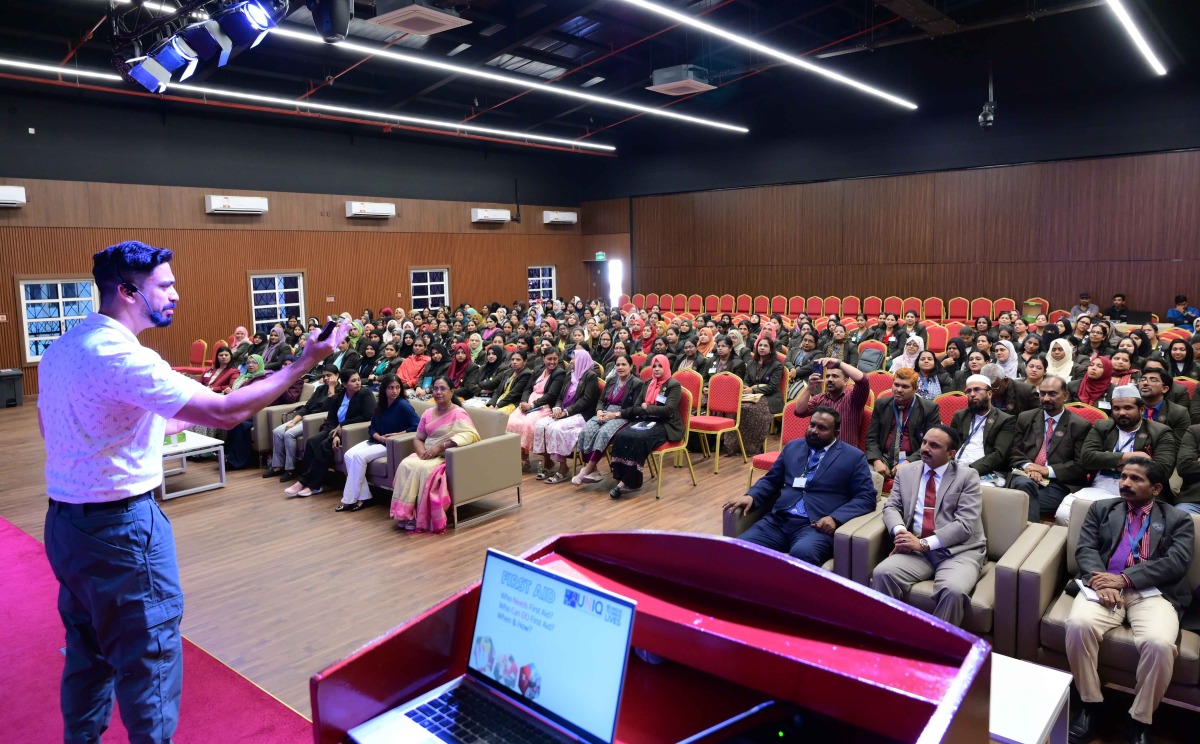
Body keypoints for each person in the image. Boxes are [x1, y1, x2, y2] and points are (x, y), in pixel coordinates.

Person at [38, 241, 345, 744]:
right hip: (120, 531)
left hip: (66, 525)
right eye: (165, 285)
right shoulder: (123, 356)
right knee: (150, 662)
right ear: (128, 291)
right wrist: (302, 364)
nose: (176, 294)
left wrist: (177, 419)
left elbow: (78, 425)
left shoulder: (64, 348)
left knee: (88, 651)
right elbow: (225, 413)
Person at [1064, 458, 1194, 744]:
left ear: (1156, 488)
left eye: (1136, 479)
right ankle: (1091, 704)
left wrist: (1124, 579)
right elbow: (1085, 549)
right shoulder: (1101, 509)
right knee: (1078, 625)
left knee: (1159, 644)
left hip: (1153, 593)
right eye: (1123, 476)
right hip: (1102, 587)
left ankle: (1140, 718)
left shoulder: (1178, 519)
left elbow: (1176, 562)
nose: (1125, 483)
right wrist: (1101, 581)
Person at [723, 407, 876, 565]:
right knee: (740, 548)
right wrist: (752, 496)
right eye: (812, 425)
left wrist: (835, 518)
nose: (814, 430)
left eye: (822, 428)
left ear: (836, 433)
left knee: (802, 554)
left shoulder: (853, 457)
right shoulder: (792, 447)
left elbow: (866, 497)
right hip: (778, 521)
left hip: (816, 526)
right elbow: (771, 480)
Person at [871, 425, 986, 626]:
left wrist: (923, 543)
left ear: (951, 454)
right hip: (916, 550)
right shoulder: (907, 472)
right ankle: (890, 637)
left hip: (958, 551)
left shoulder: (967, 477)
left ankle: (938, 644)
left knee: (953, 590)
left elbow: (965, 525)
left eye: (934, 445)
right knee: (883, 573)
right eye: (924, 442)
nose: (925, 448)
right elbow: (891, 507)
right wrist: (901, 533)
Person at [1065, 386, 1178, 525]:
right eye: (1116, 408)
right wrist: (1130, 457)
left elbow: (1162, 470)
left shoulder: (1160, 432)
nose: (1121, 413)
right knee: (1066, 512)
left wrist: (1109, 459)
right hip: (1100, 486)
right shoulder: (1102, 427)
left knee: (1115, 523)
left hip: (1138, 492)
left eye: (1128, 408)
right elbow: (1087, 458)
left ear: (1141, 410)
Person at [390, 376, 482, 533]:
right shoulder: (427, 412)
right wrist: (421, 452)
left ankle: (420, 517)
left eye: (443, 389)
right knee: (406, 464)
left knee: (425, 470)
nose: (438, 392)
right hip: (426, 454)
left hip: (445, 456)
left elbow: (471, 435)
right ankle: (406, 514)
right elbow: (418, 438)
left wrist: (440, 447)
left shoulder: (458, 413)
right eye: (436, 389)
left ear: (451, 392)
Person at [1008, 376, 1094, 522]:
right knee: (1024, 485)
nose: (1046, 398)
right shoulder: (1025, 417)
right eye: (1042, 393)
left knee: (1020, 501)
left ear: (1065, 395)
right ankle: (1032, 534)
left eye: (1052, 394)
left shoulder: (1079, 425)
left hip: (1058, 483)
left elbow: (1080, 465)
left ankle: (1024, 532)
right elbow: (1014, 451)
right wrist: (1029, 467)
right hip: (1025, 475)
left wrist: (1046, 470)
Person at [284, 368, 376, 498]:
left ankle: (311, 485)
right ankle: (306, 482)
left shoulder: (365, 394)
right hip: (334, 429)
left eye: (359, 380)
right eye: (353, 381)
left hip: (352, 431)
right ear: (345, 384)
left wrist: (342, 426)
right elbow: (331, 418)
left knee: (325, 445)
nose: (358, 383)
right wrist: (335, 430)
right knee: (312, 442)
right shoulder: (339, 396)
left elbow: (367, 416)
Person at [336, 374, 421, 513]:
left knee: (359, 457)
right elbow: (372, 427)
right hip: (376, 440)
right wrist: (377, 436)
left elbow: (417, 425)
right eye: (391, 388)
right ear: (384, 389)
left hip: (390, 444)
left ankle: (348, 500)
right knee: (348, 455)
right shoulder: (380, 404)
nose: (394, 391)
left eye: (397, 387)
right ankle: (364, 496)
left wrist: (396, 435)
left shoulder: (403, 405)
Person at [608, 354, 682, 499]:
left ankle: (628, 482)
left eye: (660, 366)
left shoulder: (673, 385)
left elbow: (668, 410)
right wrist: (647, 410)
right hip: (646, 420)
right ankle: (621, 475)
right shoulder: (648, 383)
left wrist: (647, 407)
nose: (656, 369)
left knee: (639, 438)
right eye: (654, 366)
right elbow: (636, 407)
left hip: (665, 424)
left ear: (666, 367)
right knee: (621, 434)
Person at [532, 349, 601, 483]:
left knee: (555, 428)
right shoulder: (570, 373)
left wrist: (566, 412)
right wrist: (558, 408)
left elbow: (586, 401)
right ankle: (548, 462)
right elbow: (561, 395)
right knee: (540, 425)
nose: (570, 361)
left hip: (581, 414)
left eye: (573, 358)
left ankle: (563, 468)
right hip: (565, 411)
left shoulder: (590, 376)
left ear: (581, 360)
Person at [573, 354, 644, 485]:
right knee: (586, 429)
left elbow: (635, 408)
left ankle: (586, 469)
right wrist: (599, 411)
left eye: (624, 364)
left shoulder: (637, 383)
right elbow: (601, 401)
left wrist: (615, 415)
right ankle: (594, 471)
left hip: (623, 416)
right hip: (605, 412)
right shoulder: (611, 380)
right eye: (618, 365)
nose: (620, 367)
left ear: (631, 366)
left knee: (603, 433)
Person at [261, 364, 340, 481]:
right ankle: (278, 466)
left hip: (315, 420)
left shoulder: (340, 391)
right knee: (277, 431)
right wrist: (293, 422)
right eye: (324, 376)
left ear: (337, 376)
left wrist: (332, 389)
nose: (326, 378)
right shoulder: (320, 389)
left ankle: (290, 469)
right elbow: (307, 407)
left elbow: (331, 408)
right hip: (306, 417)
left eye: (329, 375)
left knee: (289, 434)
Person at [864, 368, 939, 482]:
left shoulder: (929, 409)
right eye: (896, 385)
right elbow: (871, 437)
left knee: (912, 481)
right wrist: (876, 460)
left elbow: (932, 444)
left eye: (905, 386)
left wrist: (909, 461)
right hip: (883, 457)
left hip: (913, 459)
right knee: (865, 476)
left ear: (915, 388)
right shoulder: (881, 404)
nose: (898, 390)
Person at [507, 346, 566, 471]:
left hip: (545, 405)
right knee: (512, 421)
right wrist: (524, 402)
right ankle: (523, 457)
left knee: (528, 423)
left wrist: (532, 405)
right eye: (549, 359)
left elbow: (551, 395)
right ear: (543, 358)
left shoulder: (559, 373)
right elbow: (528, 388)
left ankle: (546, 460)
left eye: (555, 359)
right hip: (529, 402)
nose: (552, 362)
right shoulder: (538, 369)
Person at [950, 373, 1015, 483]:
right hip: (955, 466)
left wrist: (969, 470)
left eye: (977, 390)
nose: (972, 394)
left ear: (989, 394)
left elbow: (999, 455)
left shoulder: (1005, 420)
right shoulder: (960, 416)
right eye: (968, 391)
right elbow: (950, 444)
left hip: (984, 470)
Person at [794, 357, 871, 449]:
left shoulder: (854, 398)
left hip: (845, 452)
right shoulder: (819, 398)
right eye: (827, 376)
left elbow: (863, 380)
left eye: (835, 376)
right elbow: (799, 411)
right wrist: (809, 388)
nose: (829, 379)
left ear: (845, 381)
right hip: (819, 449)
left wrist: (838, 363)